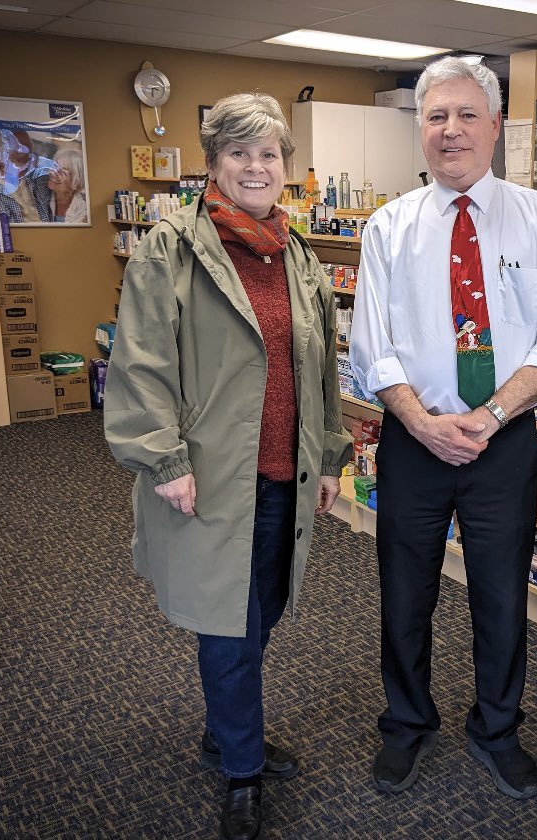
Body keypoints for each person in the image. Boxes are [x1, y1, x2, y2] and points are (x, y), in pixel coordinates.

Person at [104, 92, 352, 840]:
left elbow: (321, 373)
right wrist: (164, 458)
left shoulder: (299, 255)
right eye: (239, 152)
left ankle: (225, 726)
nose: (255, 166)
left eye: (269, 153)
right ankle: (240, 768)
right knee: (229, 625)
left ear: (286, 167)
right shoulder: (170, 250)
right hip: (210, 477)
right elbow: (140, 362)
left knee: (264, 611)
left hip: (284, 474)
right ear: (212, 165)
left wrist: (331, 455)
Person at [350, 56, 537, 800]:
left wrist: (484, 418)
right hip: (413, 443)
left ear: (495, 126)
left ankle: (496, 730)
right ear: (421, 129)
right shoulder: (388, 227)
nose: (450, 130)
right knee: (404, 593)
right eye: (435, 117)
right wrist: (420, 422)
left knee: (500, 597)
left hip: (503, 442)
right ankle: (407, 725)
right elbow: (369, 347)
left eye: (465, 114)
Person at [0, 129, 53, 223]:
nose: (28, 160)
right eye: (20, 158)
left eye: (29, 156)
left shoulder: (37, 182)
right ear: (1, 155)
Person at [45, 146, 88, 223]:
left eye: (62, 172)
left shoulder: (84, 210)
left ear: (76, 182)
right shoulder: (41, 196)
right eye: (54, 166)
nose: (52, 172)